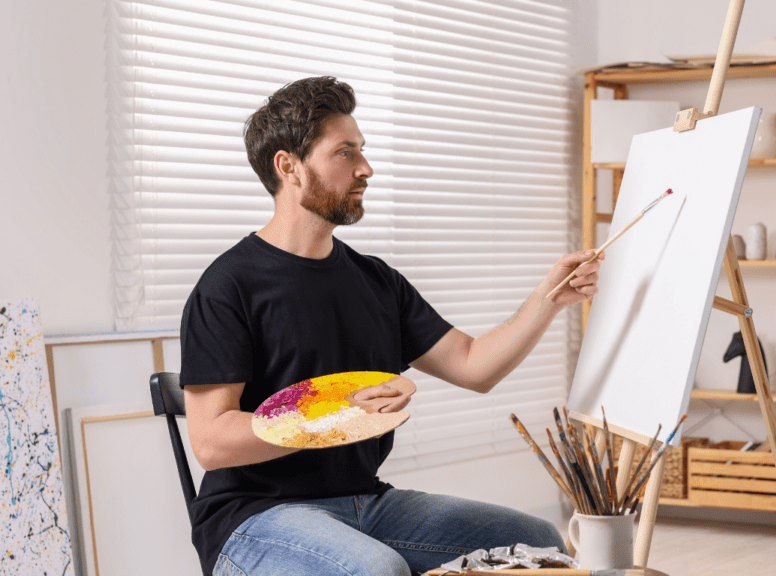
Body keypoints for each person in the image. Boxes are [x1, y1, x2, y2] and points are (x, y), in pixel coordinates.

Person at [179, 76, 604, 576]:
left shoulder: (376, 280)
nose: (366, 168)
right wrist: (335, 415)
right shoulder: (227, 286)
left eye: (362, 150)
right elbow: (210, 443)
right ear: (288, 166)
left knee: (536, 540)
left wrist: (549, 300)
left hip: (365, 504)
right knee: (378, 570)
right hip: (253, 517)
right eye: (345, 153)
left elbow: (473, 367)